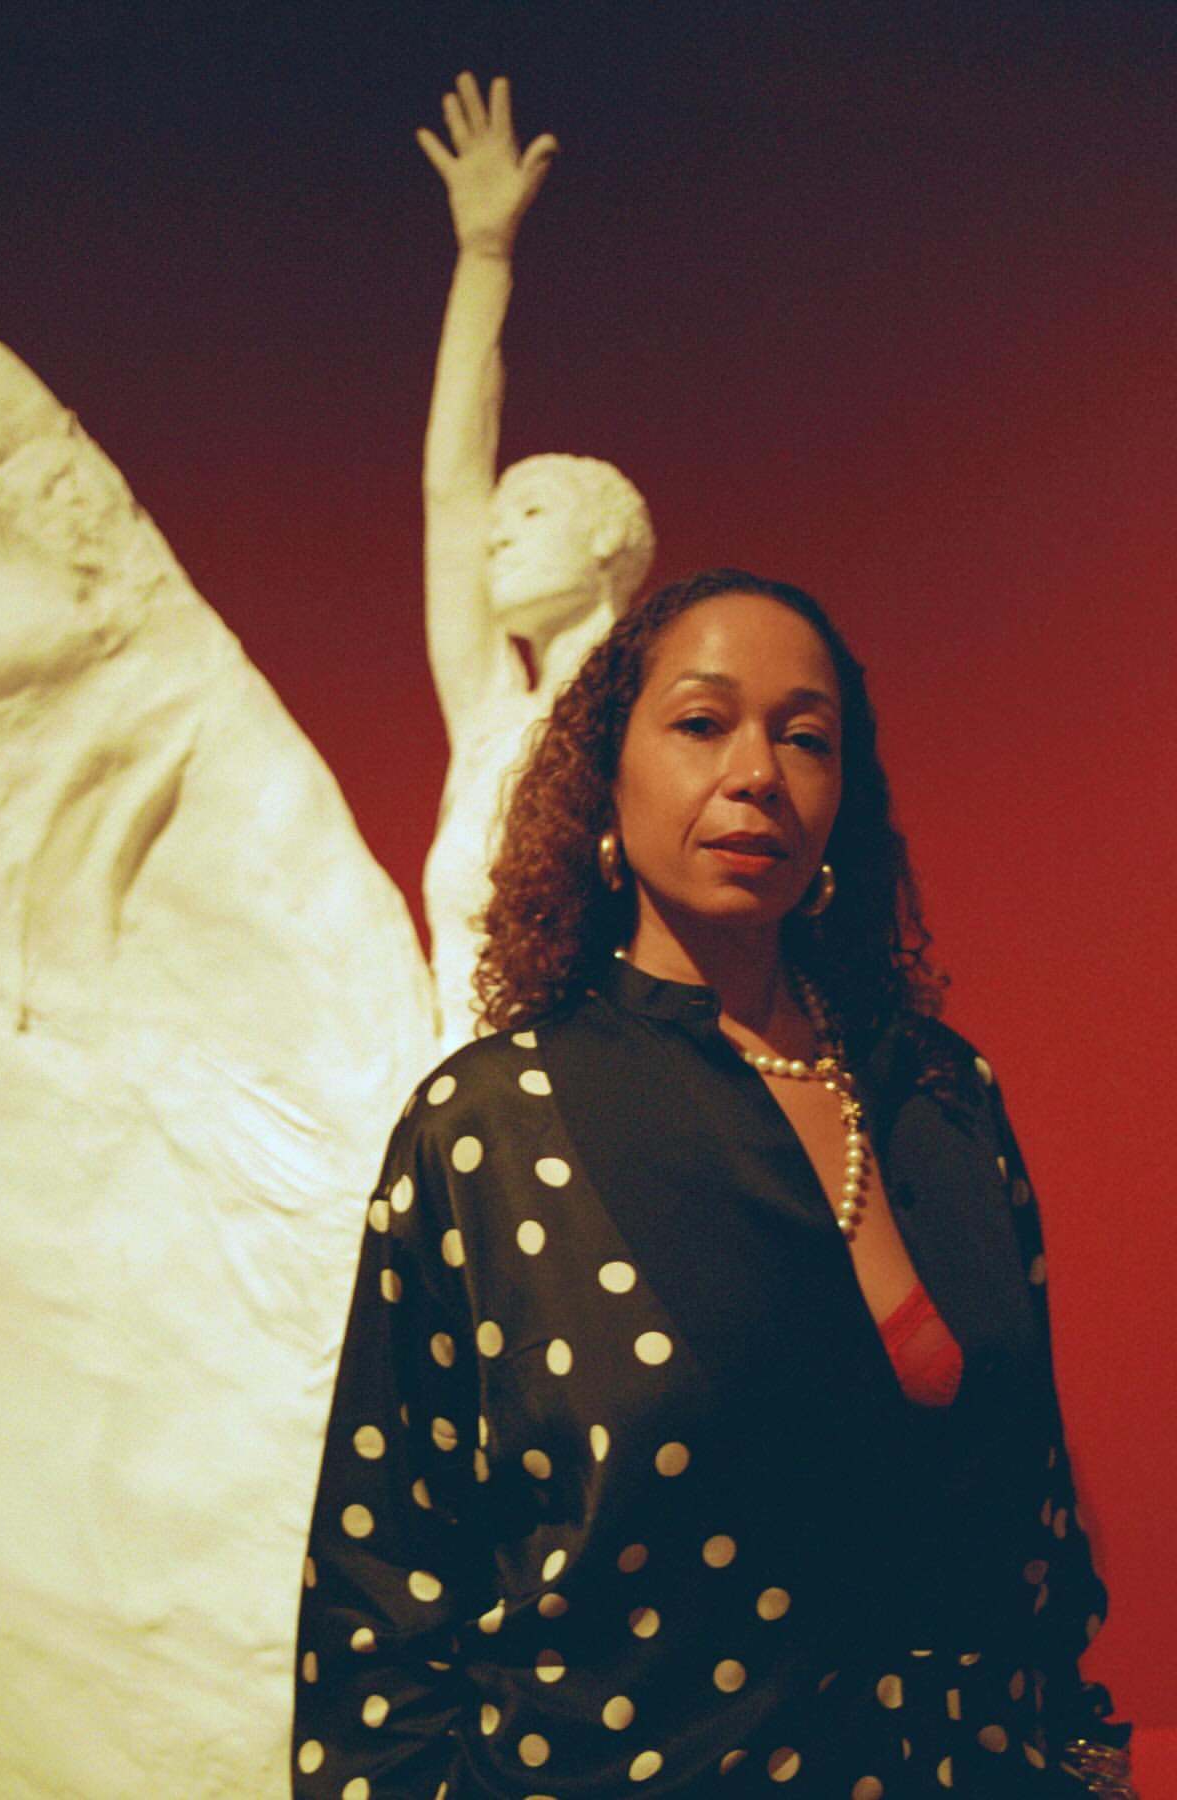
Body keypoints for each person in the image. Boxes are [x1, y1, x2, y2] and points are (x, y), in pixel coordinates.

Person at [291, 570, 1132, 1796]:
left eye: (806, 738)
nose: (757, 773)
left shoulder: (942, 1096)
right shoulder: (493, 1128)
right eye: (701, 722)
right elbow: (382, 1598)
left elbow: (1037, 1526)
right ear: (607, 780)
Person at [416, 73, 655, 1051]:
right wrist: (482, 258)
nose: (498, 533)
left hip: (595, 1110)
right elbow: (450, 490)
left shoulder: (650, 722)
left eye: (532, 510)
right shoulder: (491, 718)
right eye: (498, 520)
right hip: (455, 1098)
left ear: (605, 539)